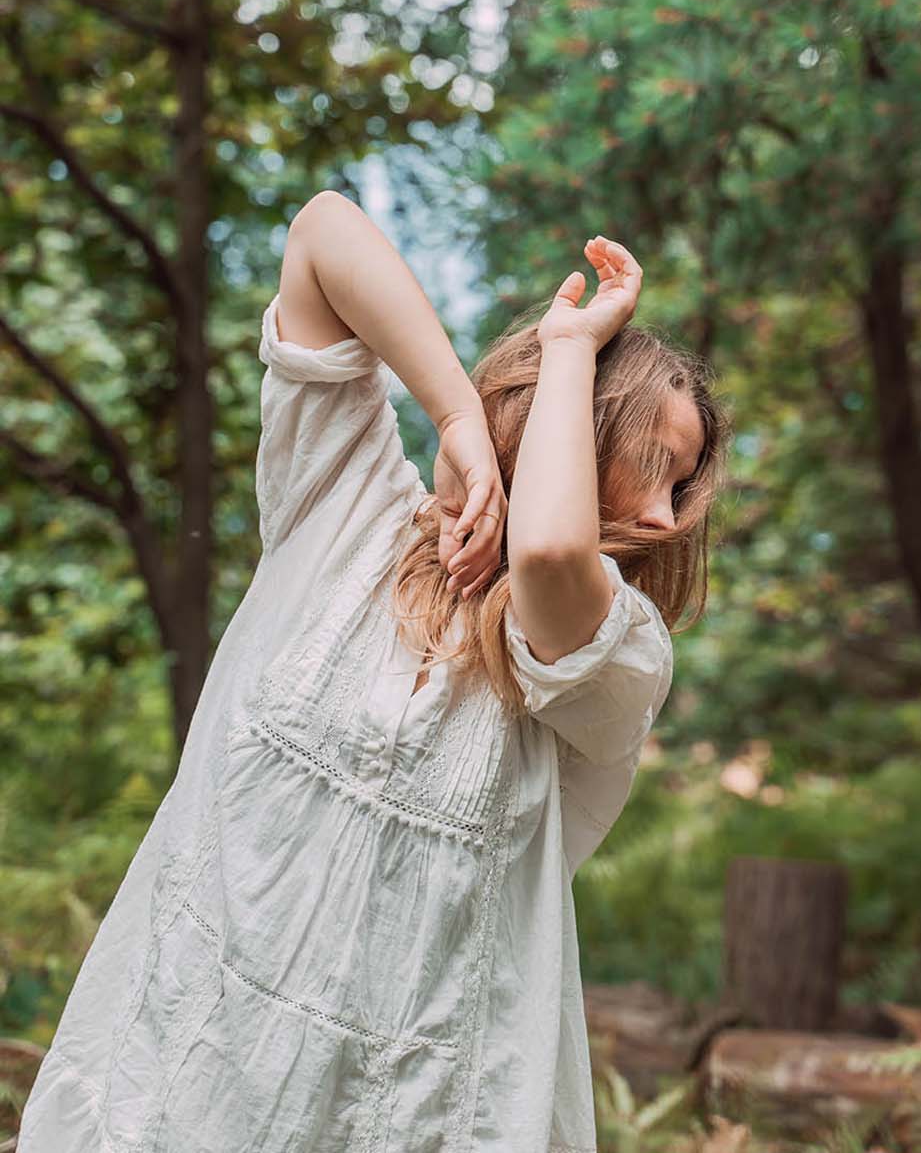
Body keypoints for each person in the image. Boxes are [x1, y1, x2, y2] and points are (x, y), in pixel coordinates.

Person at [17, 191, 729, 1153]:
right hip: (182, 1090)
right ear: (577, 427)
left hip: (409, 1119)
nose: (665, 517)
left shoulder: (614, 652)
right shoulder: (344, 504)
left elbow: (552, 556)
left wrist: (569, 350)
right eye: (656, 464)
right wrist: (457, 419)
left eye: (683, 490)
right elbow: (322, 232)